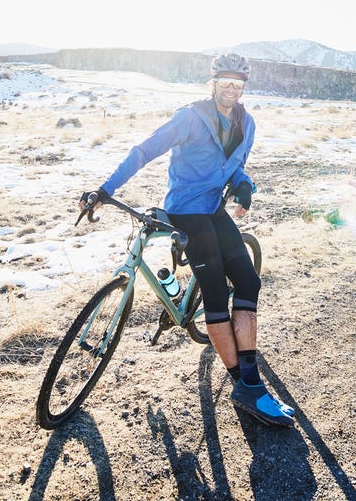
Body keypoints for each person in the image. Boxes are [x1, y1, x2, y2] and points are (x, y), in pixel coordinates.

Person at [79, 53, 294, 427]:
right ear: (212, 84)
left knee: (247, 281)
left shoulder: (247, 123)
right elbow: (145, 150)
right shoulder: (190, 117)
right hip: (185, 210)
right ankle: (246, 387)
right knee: (214, 290)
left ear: (244, 88)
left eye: (237, 85)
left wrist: (243, 187)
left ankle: (249, 377)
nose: (231, 90)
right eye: (225, 83)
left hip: (213, 209)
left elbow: (237, 166)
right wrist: (104, 189)